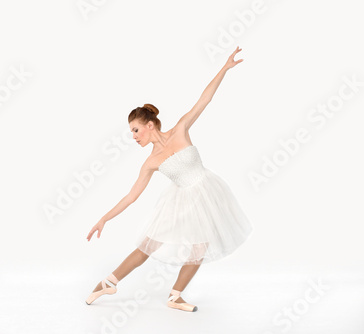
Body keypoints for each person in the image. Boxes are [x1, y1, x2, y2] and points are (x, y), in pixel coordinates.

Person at [85, 46, 254, 312]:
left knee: (200, 247)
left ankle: (175, 296)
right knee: (147, 246)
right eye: (131, 132)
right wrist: (104, 218)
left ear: (150, 125)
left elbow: (204, 99)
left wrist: (224, 68)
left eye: (136, 130)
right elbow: (131, 196)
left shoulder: (181, 129)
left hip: (206, 192)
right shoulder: (151, 162)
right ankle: (108, 282)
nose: (134, 136)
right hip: (179, 202)